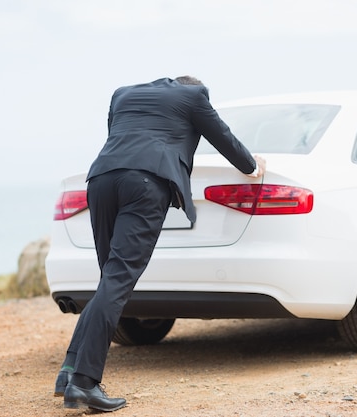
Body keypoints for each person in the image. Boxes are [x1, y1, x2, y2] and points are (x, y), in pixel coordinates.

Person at [54, 76, 265, 412]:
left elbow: (118, 137)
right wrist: (252, 166)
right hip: (145, 183)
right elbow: (222, 136)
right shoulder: (194, 95)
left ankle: (69, 373)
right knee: (118, 280)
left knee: (110, 279)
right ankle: (84, 383)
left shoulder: (123, 94)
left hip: (101, 180)